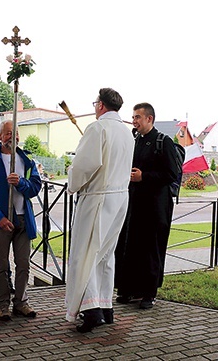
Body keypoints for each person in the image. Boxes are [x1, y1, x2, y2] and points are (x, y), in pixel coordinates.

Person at [64, 88, 134, 333]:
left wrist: (72, 180)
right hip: (120, 197)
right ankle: (106, 306)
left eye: (95, 103)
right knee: (105, 254)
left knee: (85, 254)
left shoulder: (98, 129)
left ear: (101, 105)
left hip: (99, 197)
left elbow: (85, 165)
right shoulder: (127, 132)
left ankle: (92, 310)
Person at [114, 102, 180, 310]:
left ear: (149, 119)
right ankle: (128, 289)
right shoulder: (135, 141)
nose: (134, 121)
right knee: (129, 246)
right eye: (133, 118)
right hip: (134, 203)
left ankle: (149, 293)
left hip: (155, 207)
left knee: (151, 249)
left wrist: (145, 176)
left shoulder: (164, 142)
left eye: (137, 118)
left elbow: (171, 174)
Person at [0, 119, 42, 321]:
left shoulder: (26, 160)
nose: (11, 137)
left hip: (23, 219)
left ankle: (21, 302)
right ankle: (1, 305)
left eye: (14, 133)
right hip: (0, 221)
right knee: (1, 264)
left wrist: (21, 182)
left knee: (23, 264)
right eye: (6, 133)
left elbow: (35, 187)